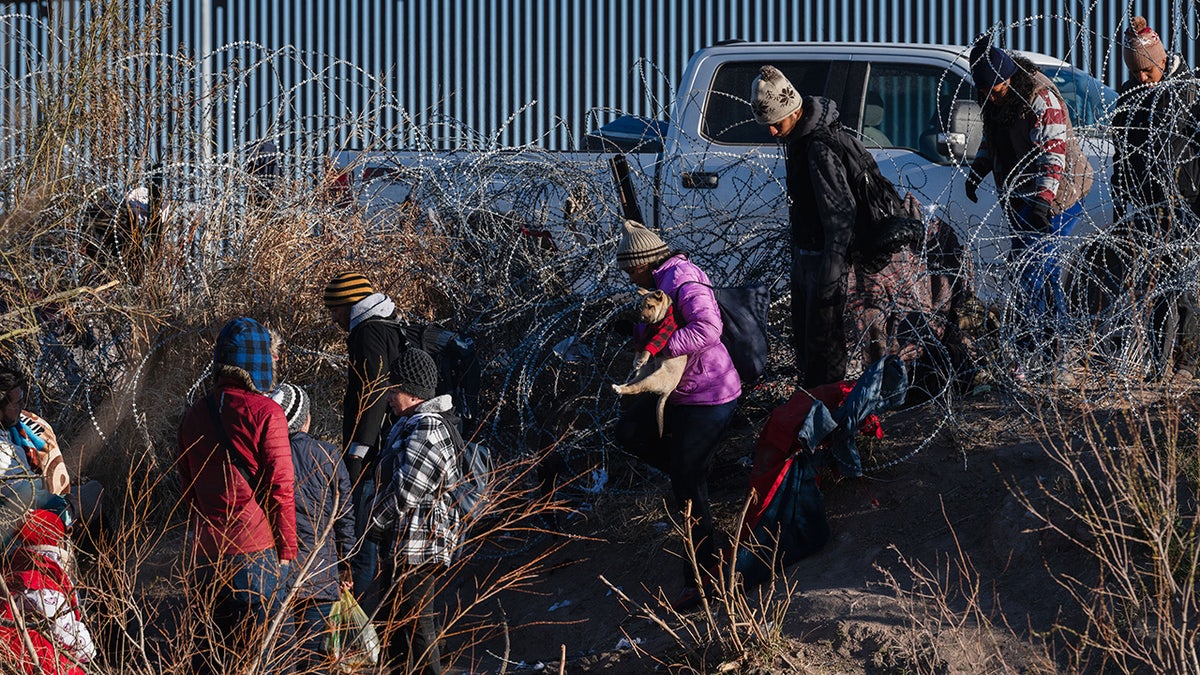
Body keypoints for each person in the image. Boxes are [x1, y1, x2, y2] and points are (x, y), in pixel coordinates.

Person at [612, 219, 741, 610]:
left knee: (687, 489)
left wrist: (659, 346)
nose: (627, 275)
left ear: (645, 261)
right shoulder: (659, 283)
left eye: (629, 267)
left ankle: (704, 581)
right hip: (681, 391)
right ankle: (700, 473)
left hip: (709, 391)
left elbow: (709, 329)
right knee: (630, 434)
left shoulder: (682, 279)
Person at [176, 317, 297, 674]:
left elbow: (189, 487)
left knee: (212, 657)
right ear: (258, 362)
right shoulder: (266, 413)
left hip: (206, 553)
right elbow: (281, 488)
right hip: (255, 550)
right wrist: (287, 549)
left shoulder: (194, 415)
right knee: (266, 657)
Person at [964, 36, 1093, 362]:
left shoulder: (1039, 98)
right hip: (1021, 193)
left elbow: (1053, 157)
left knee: (1033, 268)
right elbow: (993, 136)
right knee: (1035, 268)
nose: (990, 98)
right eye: (985, 93)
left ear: (1009, 77)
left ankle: (1047, 351)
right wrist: (979, 168)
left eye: (996, 90)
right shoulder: (992, 97)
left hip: (1059, 193)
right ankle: (1046, 348)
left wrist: (1043, 202)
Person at [749, 65, 869, 387]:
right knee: (807, 347)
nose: (772, 132)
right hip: (808, 258)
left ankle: (823, 416)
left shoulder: (817, 147)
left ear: (793, 110)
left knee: (823, 351)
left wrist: (830, 272)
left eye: (775, 123)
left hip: (824, 262)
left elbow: (841, 215)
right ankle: (811, 408)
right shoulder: (799, 140)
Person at [1110, 16, 1200, 382]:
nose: (1142, 78)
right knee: (1158, 285)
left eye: (1147, 70)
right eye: (1136, 71)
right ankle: (1160, 364)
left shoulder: (1190, 93)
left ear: (1160, 61)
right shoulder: (1130, 94)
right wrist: (1120, 190)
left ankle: (1188, 361)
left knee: (1187, 285)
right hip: (1149, 203)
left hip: (1188, 200)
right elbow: (1122, 149)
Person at [367, 348, 461, 675]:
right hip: (409, 543)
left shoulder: (427, 428)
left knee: (417, 626)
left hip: (419, 545)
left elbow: (407, 490)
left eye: (394, 389)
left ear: (412, 392)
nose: (389, 396)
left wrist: (372, 523)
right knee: (396, 626)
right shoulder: (412, 426)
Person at [324, 271, 411, 609]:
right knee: (380, 533)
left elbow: (372, 392)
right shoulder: (388, 324)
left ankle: (355, 620)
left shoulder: (368, 332)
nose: (334, 319)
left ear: (349, 305)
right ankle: (385, 615)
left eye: (336, 310)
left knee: (362, 538)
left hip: (374, 451)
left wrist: (357, 453)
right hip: (391, 444)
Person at [269, 383, 356, 673]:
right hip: (320, 574)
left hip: (278, 572)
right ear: (306, 418)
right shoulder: (329, 455)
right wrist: (346, 565)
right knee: (313, 656)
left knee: (280, 655)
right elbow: (344, 518)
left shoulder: (265, 459)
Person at [0, 509, 94, 674]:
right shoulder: (41, 577)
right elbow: (71, 638)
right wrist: (88, 652)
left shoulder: (14, 567)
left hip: (12, 651)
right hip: (36, 658)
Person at [0, 365, 72, 540]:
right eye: (16, 403)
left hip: (30, 500)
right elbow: (25, 493)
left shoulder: (14, 429)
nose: (21, 408)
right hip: (23, 513)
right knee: (93, 493)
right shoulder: (3, 450)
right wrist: (66, 504)